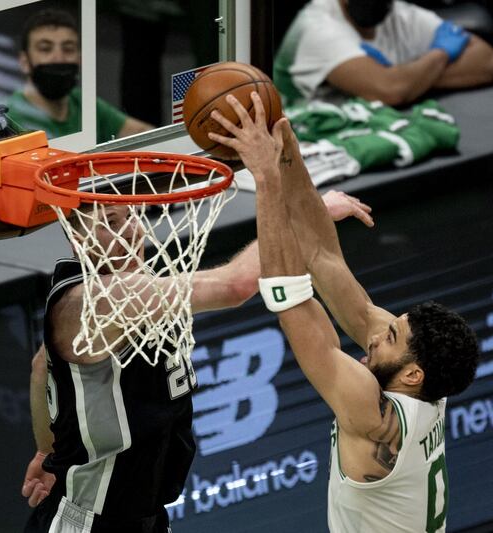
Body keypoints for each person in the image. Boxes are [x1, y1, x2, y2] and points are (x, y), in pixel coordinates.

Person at [208, 92, 480, 531]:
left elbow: (291, 301)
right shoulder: (428, 381)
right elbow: (322, 256)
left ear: (414, 374)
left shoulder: (373, 417)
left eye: (391, 338)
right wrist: (285, 144)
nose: (376, 334)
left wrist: (265, 178)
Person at [20, 197, 374, 531]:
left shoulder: (128, 290)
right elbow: (235, 285)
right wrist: (309, 211)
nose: (130, 231)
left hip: (147, 517)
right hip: (92, 522)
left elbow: (41, 366)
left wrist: (47, 452)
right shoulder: (94, 302)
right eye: (109, 223)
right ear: (75, 236)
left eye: (131, 216)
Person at [273, 0, 493, 106]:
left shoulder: (401, 15)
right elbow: (391, 91)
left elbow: (489, 63)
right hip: (305, 143)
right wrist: (440, 54)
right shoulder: (315, 27)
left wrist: (407, 80)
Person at [6, 9, 153, 145]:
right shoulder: (9, 117)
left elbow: (143, 133)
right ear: (24, 62)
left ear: (80, 59)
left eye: (68, 49)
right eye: (45, 49)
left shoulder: (80, 101)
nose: (58, 58)